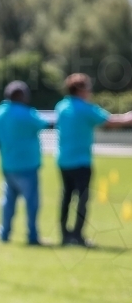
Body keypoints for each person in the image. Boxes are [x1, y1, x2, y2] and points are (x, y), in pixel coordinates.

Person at [56, 73, 132, 246]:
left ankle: (64, 234)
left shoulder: (61, 106)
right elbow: (110, 121)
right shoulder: (84, 108)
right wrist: (129, 117)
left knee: (66, 197)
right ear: (80, 89)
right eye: (88, 87)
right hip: (81, 161)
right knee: (82, 199)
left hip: (63, 159)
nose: (90, 91)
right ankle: (77, 236)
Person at [0, 80, 50, 246]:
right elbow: (44, 124)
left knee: (8, 201)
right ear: (21, 96)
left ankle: (5, 233)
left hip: (7, 164)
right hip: (27, 165)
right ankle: (32, 235)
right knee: (32, 203)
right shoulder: (27, 113)